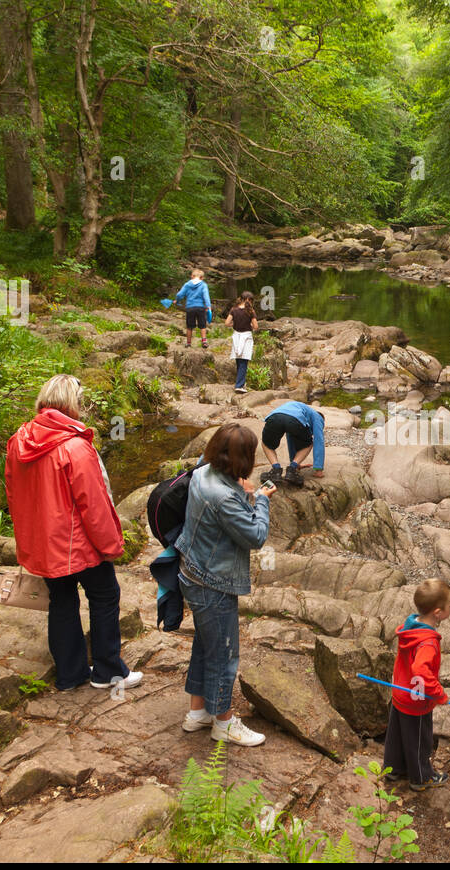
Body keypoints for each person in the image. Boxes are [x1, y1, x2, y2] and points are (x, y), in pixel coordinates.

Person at [4, 374, 141, 692]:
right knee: (105, 596)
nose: (83, 406)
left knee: (61, 602)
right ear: (69, 403)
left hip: (43, 544)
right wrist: (110, 545)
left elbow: (14, 495)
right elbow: (94, 505)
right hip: (79, 545)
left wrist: (26, 542)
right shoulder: (75, 447)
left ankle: (70, 674)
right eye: (80, 401)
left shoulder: (18, 441)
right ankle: (108, 671)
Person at [176, 422, 276, 745]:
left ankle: (198, 713)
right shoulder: (224, 498)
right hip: (214, 581)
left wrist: (242, 490)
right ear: (241, 460)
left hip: (191, 570)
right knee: (224, 653)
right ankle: (223, 722)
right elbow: (256, 536)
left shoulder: (201, 473)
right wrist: (260, 500)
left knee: (205, 643)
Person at [383, 578, 450, 790]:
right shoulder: (428, 642)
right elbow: (421, 670)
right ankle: (421, 778)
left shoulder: (409, 627)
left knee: (397, 734)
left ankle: (393, 769)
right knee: (420, 740)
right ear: (438, 613)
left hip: (400, 692)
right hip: (417, 698)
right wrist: (438, 692)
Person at [259, 400, 325, 488]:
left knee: (266, 444)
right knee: (308, 444)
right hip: (295, 420)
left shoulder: (300, 409)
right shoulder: (317, 417)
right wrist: (318, 468)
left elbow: (291, 437)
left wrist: (295, 463)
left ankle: (276, 470)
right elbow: (319, 440)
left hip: (275, 416)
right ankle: (291, 471)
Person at [225, 291, 259, 393]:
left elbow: (227, 323)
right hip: (246, 337)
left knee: (239, 360)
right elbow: (256, 326)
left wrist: (234, 324)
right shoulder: (250, 311)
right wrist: (251, 326)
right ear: (250, 300)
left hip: (236, 336)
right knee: (244, 360)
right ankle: (239, 385)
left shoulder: (234, 310)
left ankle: (241, 383)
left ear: (241, 298)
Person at [173, 268, 213, 348]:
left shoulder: (187, 284)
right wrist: (208, 306)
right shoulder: (203, 285)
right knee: (203, 325)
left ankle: (188, 343)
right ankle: (204, 341)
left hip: (190, 307)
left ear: (192, 276)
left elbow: (179, 294)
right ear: (201, 278)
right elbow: (206, 296)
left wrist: (177, 301)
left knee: (189, 326)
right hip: (201, 307)